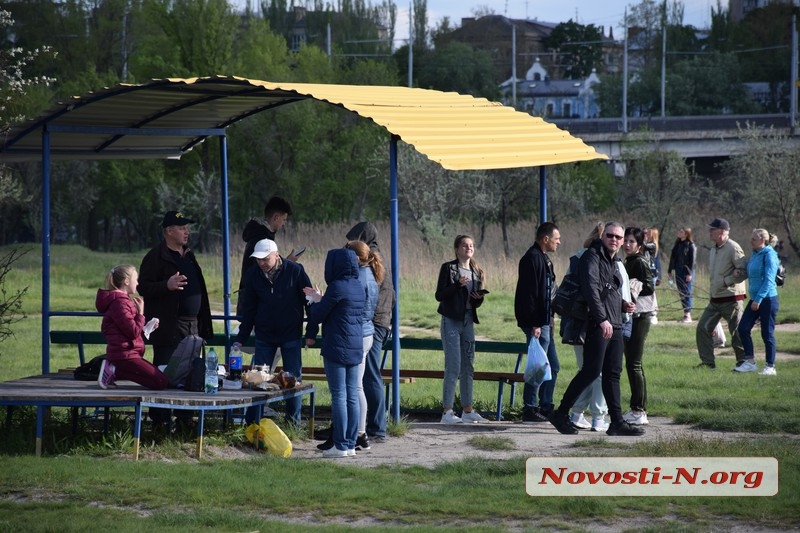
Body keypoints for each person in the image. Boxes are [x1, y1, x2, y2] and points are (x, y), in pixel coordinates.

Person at [548, 222, 644, 437]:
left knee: (613, 374)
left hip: (615, 322)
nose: (615, 240)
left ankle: (617, 422)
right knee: (591, 371)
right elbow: (590, 289)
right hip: (599, 323)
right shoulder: (592, 257)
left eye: (619, 237)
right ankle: (561, 413)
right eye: (610, 236)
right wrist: (602, 319)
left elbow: (608, 292)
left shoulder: (614, 260)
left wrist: (622, 306)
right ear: (603, 237)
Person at [139, 211, 213, 427]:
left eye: (187, 227)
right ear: (168, 231)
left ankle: (185, 419)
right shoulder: (155, 256)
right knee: (165, 371)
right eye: (181, 228)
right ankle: (160, 420)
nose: (186, 232)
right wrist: (166, 285)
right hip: (168, 326)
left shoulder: (189, 255)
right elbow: (142, 287)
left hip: (192, 325)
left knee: (191, 373)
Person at [233, 238, 313, 425]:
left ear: (276, 255)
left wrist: (310, 331)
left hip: (291, 333)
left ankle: (293, 424)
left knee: (293, 379)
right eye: (258, 259)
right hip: (264, 335)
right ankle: (253, 422)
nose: (261, 263)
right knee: (258, 379)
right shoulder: (253, 274)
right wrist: (241, 338)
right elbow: (249, 309)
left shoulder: (295, 271)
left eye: (265, 259)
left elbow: (309, 302)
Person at [304, 248, 366, 458]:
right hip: (355, 345)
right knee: (351, 396)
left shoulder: (336, 287)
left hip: (337, 346)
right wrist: (323, 299)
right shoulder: (357, 286)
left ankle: (339, 444)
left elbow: (319, 315)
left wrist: (313, 300)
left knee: (339, 395)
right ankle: (349, 444)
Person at [345, 221, 395, 443]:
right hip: (378, 322)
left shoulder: (371, 259)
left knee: (370, 375)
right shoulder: (377, 256)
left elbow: (369, 296)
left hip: (373, 324)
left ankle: (376, 428)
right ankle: (365, 426)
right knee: (366, 376)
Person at [435, 234, 487, 424]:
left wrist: (478, 298)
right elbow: (439, 295)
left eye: (471, 245)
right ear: (457, 249)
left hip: (468, 321)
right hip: (451, 320)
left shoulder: (476, 270)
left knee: (468, 366)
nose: (469, 248)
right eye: (464, 245)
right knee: (454, 366)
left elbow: (475, 302)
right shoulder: (449, 269)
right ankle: (447, 412)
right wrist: (457, 285)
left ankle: (467, 410)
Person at [563, 222, 609, 433]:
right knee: (597, 371)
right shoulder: (597, 259)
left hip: (575, 322)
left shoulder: (576, 258)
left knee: (588, 370)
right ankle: (598, 416)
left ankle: (576, 412)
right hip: (594, 322)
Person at [514, 222, 561, 423]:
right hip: (536, 323)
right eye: (556, 239)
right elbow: (530, 294)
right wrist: (535, 324)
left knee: (554, 366)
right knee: (538, 366)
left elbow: (548, 290)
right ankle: (530, 408)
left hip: (544, 320)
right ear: (546, 239)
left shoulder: (544, 258)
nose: (559, 242)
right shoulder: (531, 259)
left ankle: (546, 405)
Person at [95, 265, 169, 390]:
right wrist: (140, 313)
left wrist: (147, 328)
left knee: (161, 381)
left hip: (127, 353)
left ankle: (115, 371)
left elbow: (127, 329)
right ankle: (115, 371)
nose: (138, 283)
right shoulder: (120, 303)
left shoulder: (122, 301)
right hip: (124, 354)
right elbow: (133, 331)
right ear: (126, 281)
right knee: (160, 382)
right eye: (136, 279)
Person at [695, 218, 747, 370]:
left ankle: (744, 363)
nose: (709, 232)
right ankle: (708, 363)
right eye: (710, 229)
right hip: (716, 299)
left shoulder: (733, 248)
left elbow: (743, 271)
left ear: (722, 232)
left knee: (736, 332)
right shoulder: (713, 249)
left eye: (712, 229)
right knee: (703, 328)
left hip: (732, 298)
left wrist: (727, 281)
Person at [346, 240, 383, 449]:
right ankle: (360, 432)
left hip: (358, 332)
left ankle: (359, 432)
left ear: (357, 258)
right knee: (357, 385)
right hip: (367, 331)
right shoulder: (371, 274)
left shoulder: (359, 277)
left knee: (355, 386)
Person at [237, 196, 298, 315]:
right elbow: (265, 269)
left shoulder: (257, 234)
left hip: (251, 298)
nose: (284, 224)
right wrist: (287, 263)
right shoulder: (261, 239)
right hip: (256, 302)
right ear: (276, 217)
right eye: (284, 220)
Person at [622, 227, 656, 426]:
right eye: (625, 241)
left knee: (634, 363)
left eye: (631, 242)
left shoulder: (639, 261)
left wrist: (633, 287)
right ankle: (638, 408)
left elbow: (649, 286)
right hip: (633, 315)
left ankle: (639, 410)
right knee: (633, 363)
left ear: (640, 246)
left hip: (640, 315)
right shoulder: (629, 260)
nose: (627, 244)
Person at [735, 229, 780, 375]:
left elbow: (768, 280)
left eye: (753, 239)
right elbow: (752, 273)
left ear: (762, 240)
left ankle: (770, 366)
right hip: (755, 299)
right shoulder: (755, 254)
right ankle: (750, 362)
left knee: (767, 333)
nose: (750, 241)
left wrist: (759, 300)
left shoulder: (770, 255)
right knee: (743, 328)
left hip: (767, 299)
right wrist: (740, 273)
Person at [667, 227, 696, 323]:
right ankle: (685, 314)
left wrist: (689, 273)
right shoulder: (677, 245)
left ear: (686, 234)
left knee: (686, 292)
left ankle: (688, 314)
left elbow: (692, 261)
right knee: (681, 292)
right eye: (679, 230)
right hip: (678, 271)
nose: (679, 232)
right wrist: (670, 270)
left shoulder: (690, 245)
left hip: (686, 271)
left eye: (681, 231)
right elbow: (673, 258)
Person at [643, 227, 661, 325]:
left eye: (648, 233)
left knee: (651, 293)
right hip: (646, 271)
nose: (646, 234)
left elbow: (643, 246)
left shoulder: (653, 245)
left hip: (651, 273)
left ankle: (653, 313)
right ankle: (648, 312)